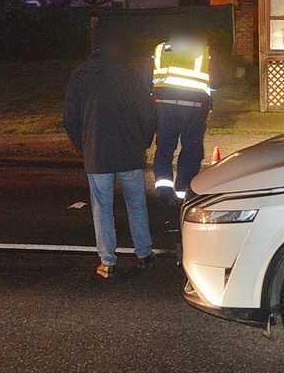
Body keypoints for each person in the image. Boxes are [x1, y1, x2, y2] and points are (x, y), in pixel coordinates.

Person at [63, 24, 158, 279]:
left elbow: (70, 117)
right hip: (129, 150)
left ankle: (108, 262)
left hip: (98, 151)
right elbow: (149, 113)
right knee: (136, 204)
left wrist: (84, 145)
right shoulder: (130, 73)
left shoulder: (81, 73)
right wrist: (143, 142)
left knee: (101, 207)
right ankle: (144, 254)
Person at [150, 24, 215, 205]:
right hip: (193, 108)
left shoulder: (160, 49)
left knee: (164, 148)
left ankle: (164, 191)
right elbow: (218, 81)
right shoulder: (204, 51)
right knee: (191, 150)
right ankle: (183, 193)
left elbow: (147, 77)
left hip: (163, 108)